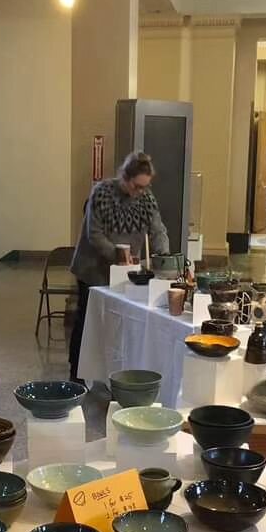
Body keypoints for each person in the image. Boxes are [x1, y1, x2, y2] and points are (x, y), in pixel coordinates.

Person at [69, 151, 170, 381]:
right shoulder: (101, 193)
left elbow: (158, 230)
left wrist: (164, 255)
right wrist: (120, 255)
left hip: (123, 272)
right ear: (125, 178)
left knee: (118, 323)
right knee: (86, 323)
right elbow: (94, 235)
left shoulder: (146, 198)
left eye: (145, 186)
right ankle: (76, 374)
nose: (140, 192)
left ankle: (110, 374)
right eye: (136, 186)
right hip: (92, 269)